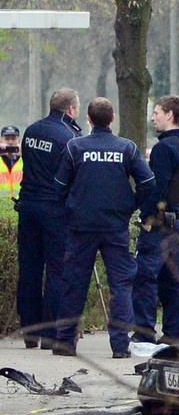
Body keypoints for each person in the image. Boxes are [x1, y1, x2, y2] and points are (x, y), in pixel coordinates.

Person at [50, 97, 153, 359]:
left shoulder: (75, 148)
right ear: (113, 118)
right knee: (121, 285)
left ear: (89, 119)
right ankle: (120, 345)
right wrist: (131, 205)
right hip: (115, 226)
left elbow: (58, 187)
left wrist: (71, 208)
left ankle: (65, 342)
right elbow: (148, 182)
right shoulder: (126, 148)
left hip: (81, 227)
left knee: (74, 283)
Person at [16, 90, 82, 348]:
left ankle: (30, 332)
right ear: (71, 110)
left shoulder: (31, 131)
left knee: (29, 269)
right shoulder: (69, 137)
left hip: (29, 205)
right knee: (57, 270)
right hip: (55, 210)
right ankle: (50, 332)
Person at [129, 95, 179, 353]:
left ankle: (143, 333)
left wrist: (146, 216)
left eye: (156, 112)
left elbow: (158, 187)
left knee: (145, 277)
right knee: (173, 278)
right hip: (175, 223)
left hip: (159, 224)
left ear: (170, 115)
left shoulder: (164, 149)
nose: (153, 117)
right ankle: (175, 333)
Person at [0, 126, 22, 214]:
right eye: (7, 138)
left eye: (13, 138)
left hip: (19, 211)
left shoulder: (26, 159)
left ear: (19, 140)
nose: (10, 142)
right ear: (1, 140)